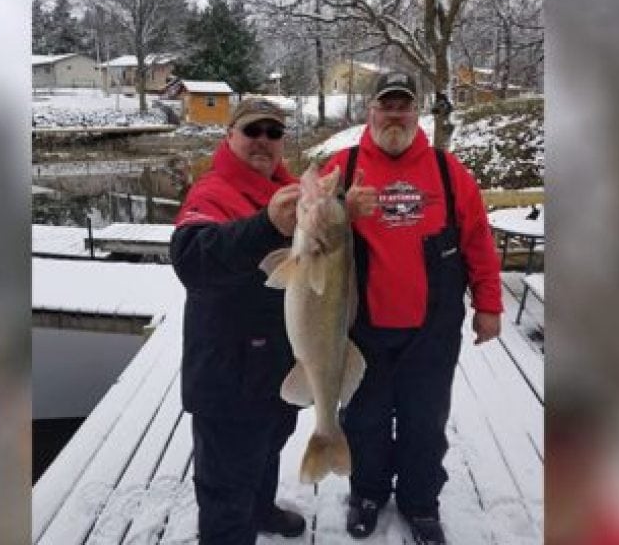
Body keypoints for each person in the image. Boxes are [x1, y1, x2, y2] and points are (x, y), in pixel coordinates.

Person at [323, 71, 503, 545]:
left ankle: (420, 502)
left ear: (416, 111)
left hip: (432, 329)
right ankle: (366, 493)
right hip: (363, 329)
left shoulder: (448, 171)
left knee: (425, 422)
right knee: (365, 419)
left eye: (404, 105)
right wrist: (341, 206)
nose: (395, 114)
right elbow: (307, 226)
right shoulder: (343, 166)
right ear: (371, 111)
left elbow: (478, 242)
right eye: (387, 105)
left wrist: (489, 305)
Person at [170, 97, 307, 544]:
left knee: (268, 450)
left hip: (277, 365)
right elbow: (192, 258)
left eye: (274, 133)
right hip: (228, 374)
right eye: (253, 131)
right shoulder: (212, 191)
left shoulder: (288, 190)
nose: (264, 141)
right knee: (226, 490)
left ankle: (263, 510)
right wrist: (266, 224)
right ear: (230, 137)